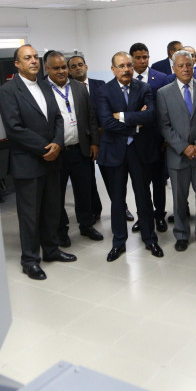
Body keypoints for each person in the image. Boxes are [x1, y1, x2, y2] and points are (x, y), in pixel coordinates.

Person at [0, 44, 76, 280]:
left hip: (52, 160)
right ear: (17, 64)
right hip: (28, 164)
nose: (33, 61)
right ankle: (30, 260)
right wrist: (46, 148)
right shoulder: (8, 91)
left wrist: (58, 143)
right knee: (30, 215)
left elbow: (58, 118)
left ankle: (51, 250)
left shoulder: (44, 85)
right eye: (27, 58)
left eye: (35, 57)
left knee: (52, 210)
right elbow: (14, 128)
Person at [95, 51, 164, 262]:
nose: (126, 69)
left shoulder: (143, 88)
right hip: (114, 152)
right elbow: (107, 122)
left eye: (129, 65)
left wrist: (123, 116)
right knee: (117, 200)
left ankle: (150, 238)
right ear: (113, 69)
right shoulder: (104, 91)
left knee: (143, 196)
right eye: (122, 66)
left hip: (139, 151)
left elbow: (150, 115)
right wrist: (135, 124)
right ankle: (118, 242)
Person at [157, 50, 196, 251]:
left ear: (194, 66)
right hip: (178, 155)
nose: (185, 69)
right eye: (181, 65)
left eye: (189, 65)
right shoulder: (163, 93)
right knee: (179, 198)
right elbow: (164, 125)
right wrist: (184, 147)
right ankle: (182, 234)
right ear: (173, 68)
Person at [44, 52, 103, 246]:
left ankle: (86, 225)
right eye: (56, 68)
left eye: (63, 67)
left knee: (84, 191)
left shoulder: (79, 87)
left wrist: (94, 142)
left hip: (81, 149)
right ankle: (61, 231)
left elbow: (91, 116)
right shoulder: (42, 90)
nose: (61, 71)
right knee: (57, 195)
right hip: (57, 153)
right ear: (47, 69)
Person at [68, 55, 135, 223]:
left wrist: (104, 128)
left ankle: (122, 208)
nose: (78, 68)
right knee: (87, 180)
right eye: (73, 66)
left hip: (106, 138)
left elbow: (110, 110)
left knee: (111, 179)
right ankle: (94, 210)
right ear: (69, 71)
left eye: (80, 64)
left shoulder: (100, 85)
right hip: (82, 141)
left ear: (86, 66)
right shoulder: (68, 89)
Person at [129, 42, 170, 233]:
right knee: (140, 184)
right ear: (132, 59)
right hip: (136, 140)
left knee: (159, 182)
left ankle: (159, 215)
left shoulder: (161, 78)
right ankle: (143, 216)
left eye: (145, 57)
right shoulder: (126, 78)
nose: (142, 61)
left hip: (158, 140)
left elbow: (167, 109)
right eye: (138, 57)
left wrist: (166, 137)